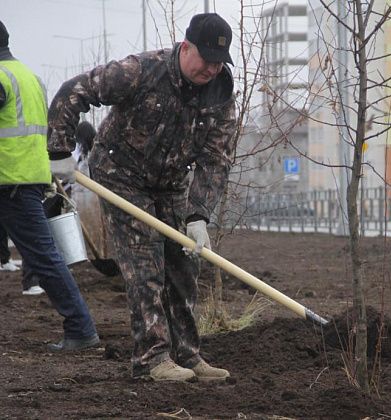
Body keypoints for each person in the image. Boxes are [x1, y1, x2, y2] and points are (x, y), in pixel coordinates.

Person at [47, 13, 237, 382]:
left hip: (170, 182)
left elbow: (216, 159)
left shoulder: (219, 95)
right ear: (186, 48)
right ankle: (151, 358)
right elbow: (75, 90)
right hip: (120, 173)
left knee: (182, 265)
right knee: (144, 263)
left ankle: (188, 353)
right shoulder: (140, 71)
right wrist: (59, 151)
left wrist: (198, 215)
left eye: (219, 63)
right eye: (207, 60)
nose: (212, 69)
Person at [0, 21, 99, 351]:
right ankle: (80, 327)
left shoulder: (1, 78)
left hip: (10, 179)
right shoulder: (30, 77)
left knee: (44, 258)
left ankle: (81, 329)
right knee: (43, 255)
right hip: (27, 176)